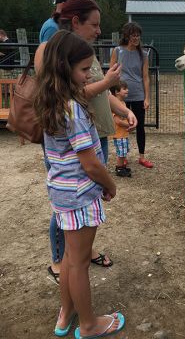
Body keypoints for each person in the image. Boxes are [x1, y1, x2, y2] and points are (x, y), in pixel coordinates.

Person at [34, 0, 138, 282]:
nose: (98, 30)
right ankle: (61, 262)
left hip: (94, 135)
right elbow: (60, 96)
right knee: (69, 201)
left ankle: (83, 251)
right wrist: (107, 83)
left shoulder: (83, 52)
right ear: (76, 21)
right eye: (94, 24)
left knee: (89, 197)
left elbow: (100, 92)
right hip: (73, 142)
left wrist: (123, 108)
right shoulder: (51, 50)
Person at [34, 30, 125, 338]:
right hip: (80, 196)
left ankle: (66, 314)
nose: (89, 76)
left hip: (61, 194)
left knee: (70, 259)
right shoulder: (73, 109)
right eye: (85, 70)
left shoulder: (53, 100)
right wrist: (110, 185)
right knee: (80, 264)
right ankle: (88, 325)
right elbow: (90, 163)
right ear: (64, 68)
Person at [110, 21, 153, 168]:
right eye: (134, 35)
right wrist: (112, 94)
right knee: (122, 125)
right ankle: (123, 157)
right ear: (127, 36)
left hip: (138, 94)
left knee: (139, 125)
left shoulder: (144, 55)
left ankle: (141, 156)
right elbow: (111, 72)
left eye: (138, 36)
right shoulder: (117, 51)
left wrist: (147, 98)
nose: (136, 38)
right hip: (121, 95)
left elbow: (146, 77)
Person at [111, 81, 131, 177]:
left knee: (124, 151)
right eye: (124, 89)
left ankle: (122, 167)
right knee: (121, 152)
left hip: (123, 134)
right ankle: (119, 169)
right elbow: (117, 121)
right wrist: (128, 125)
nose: (127, 90)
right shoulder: (116, 104)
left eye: (127, 88)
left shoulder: (123, 103)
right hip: (119, 134)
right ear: (117, 92)